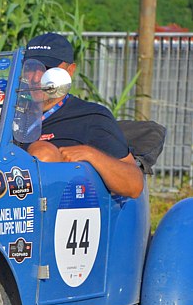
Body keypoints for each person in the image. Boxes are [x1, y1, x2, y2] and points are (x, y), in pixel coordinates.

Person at [23, 33, 144, 198]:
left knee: (43, 153)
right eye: (30, 68)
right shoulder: (9, 113)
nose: (36, 78)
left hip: (56, 208)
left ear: (70, 71)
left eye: (47, 68)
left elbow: (134, 185)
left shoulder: (91, 117)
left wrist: (90, 154)